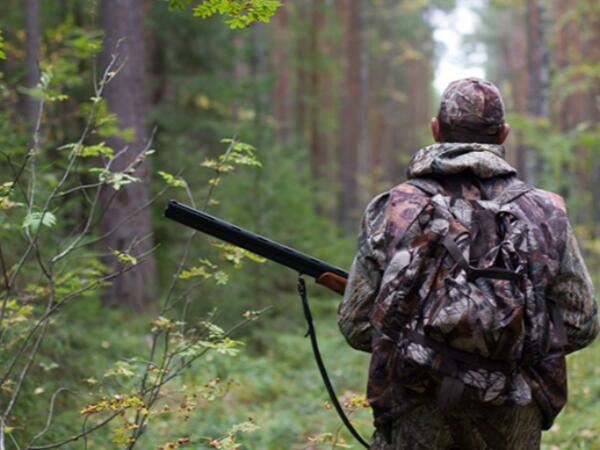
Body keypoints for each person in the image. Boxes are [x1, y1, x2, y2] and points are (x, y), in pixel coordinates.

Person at [337, 77, 599, 450]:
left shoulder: (395, 208)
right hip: (514, 411)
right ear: (503, 134)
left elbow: (357, 324)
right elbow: (581, 323)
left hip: (416, 406)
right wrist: (506, 350)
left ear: (436, 129)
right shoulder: (543, 211)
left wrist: (425, 349)